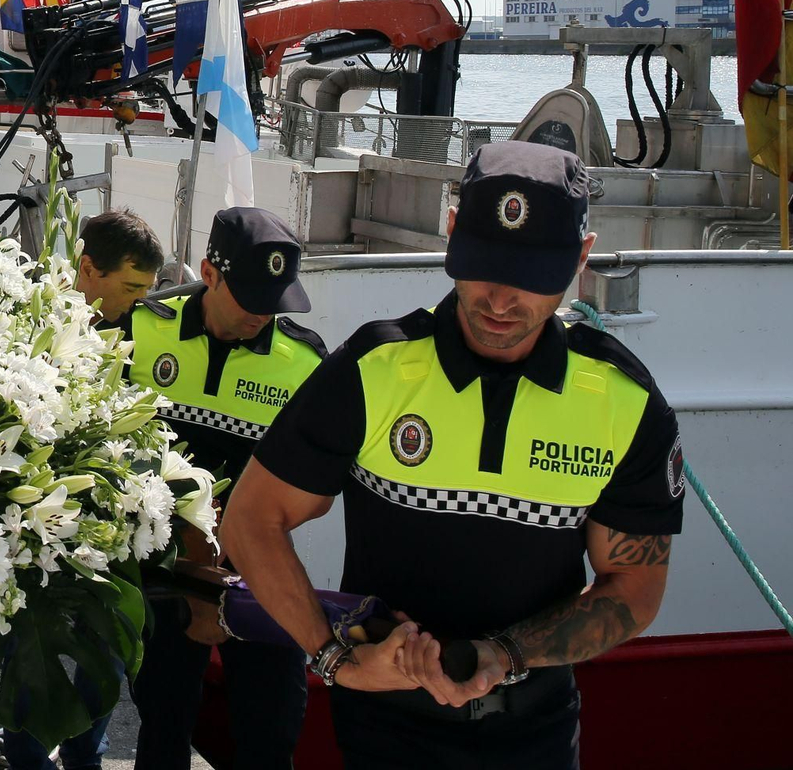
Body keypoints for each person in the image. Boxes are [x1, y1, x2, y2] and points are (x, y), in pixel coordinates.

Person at [222, 143, 685, 770]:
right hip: (386, 731)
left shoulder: (624, 403)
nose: (499, 301)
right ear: (450, 233)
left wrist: (505, 654)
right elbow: (252, 518)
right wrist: (334, 658)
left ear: (581, 258)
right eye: (482, 267)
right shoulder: (374, 369)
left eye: (531, 280)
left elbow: (634, 586)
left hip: (537, 732)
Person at [117, 210, 322, 770]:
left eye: (274, 299)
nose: (262, 313)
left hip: (258, 571)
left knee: (272, 730)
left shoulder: (305, 361)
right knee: (162, 724)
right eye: (250, 295)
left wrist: (233, 557)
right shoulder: (141, 329)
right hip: (163, 569)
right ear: (208, 272)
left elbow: (310, 485)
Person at [73, 208, 165, 323]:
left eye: (148, 289)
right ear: (88, 269)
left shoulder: (137, 326)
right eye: (130, 289)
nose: (141, 301)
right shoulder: (46, 317)